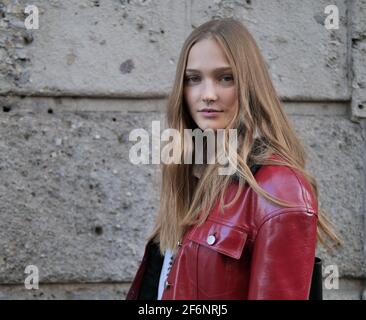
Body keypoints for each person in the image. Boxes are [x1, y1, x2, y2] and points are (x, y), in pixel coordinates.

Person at [126, 18, 340, 300]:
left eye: (226, 78)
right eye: (194, 79)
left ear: (250, 86)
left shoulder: (280, 191)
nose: (208, 95)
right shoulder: (189, 177)